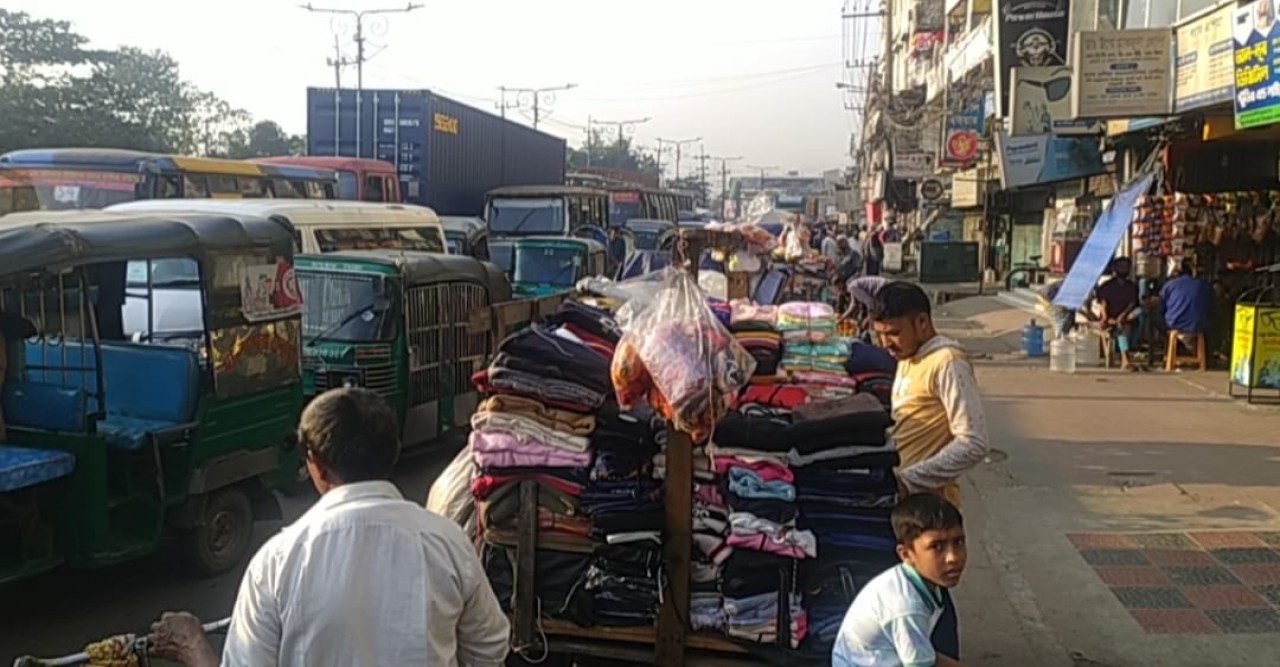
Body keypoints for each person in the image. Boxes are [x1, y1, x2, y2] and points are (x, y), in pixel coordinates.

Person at [147, 387, 510, 667]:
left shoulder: (278, 560)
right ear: (393, 452)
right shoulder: (446, 542)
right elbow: (490, 649)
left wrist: (194, 645)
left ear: (317, 467)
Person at [869, 281, 986, 660]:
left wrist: (910, 478)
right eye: (882, 334)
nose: (888, 342)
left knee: (930, 590)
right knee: (913, 589)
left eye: (895, 333)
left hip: (929, 505)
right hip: (906, 500)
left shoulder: (947, 361)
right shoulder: (908, 359)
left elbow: (973, 441)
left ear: (922, 322)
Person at [831, 494, 968, 667]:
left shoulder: (919, 582)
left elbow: (926, 656)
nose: (953, 558)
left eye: (959, 542)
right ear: (906, 554)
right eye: (936, 547)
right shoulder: (907, 607)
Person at [1094, 258, 1142, 370]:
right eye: (1121, 266)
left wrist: (1123, 315)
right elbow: (1103, 304)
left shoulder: (1132, 286)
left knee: (1134, 319)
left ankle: (1126, 355)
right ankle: (1125, 359)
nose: (1123, 269)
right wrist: (1106, 318)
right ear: (1115, 268)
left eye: (1126, 266)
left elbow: (1132, 303)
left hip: (1127, 317)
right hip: (1109, 318)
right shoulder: (1106, 286)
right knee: (1122, 331)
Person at [1159, 259, 1213, 349]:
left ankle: (1176, 347)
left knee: (1156, 317)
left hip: (1175, 324)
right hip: (1199, 325)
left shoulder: (1170, 285)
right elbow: (1211, 306)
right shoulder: (1203, 285)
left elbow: (1161, 306)